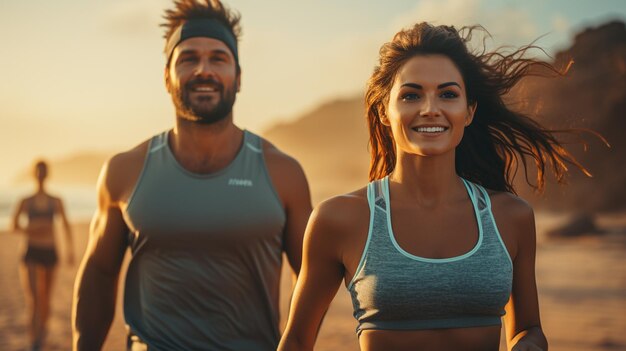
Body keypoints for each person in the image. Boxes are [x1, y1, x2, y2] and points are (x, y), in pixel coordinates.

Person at [279, 23, 591, 351]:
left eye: (448, 94)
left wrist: (528, 344)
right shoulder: (339, 219)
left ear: (469, 111)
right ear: (385, 110)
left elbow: (527, 329)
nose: (430, 108)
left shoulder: (510, 217)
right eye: (411, 95)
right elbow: (297, 340)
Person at [71, 1, 312, 350]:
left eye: (218, 58)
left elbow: (309, 276)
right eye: (188, 58)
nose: (203, 69)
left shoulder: (283, 173)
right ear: (167, 77)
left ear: (238, 78)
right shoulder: (124, 171)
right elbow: (99, 272)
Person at [11, 160, 74, 351]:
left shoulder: (56, 200)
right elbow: (14, 226)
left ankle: (43, 333)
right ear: (34, 174)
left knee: (46, 298)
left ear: (46, 174)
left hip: (49, 251)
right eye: (37, 171)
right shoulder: (26, 201)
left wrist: (70, 250)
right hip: (30, 251)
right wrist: (33, 229)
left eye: (42, 171)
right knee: (33, 300)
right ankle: (34, 340)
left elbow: (65, 224)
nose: (40, 175)